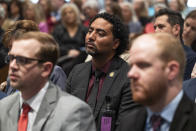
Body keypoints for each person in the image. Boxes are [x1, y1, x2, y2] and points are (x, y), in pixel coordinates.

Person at [0, 32, 96, 131]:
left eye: (23, 60)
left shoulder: (74, 112)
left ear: (46, 69)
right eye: (11, 58)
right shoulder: (4, 106)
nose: (13, 66)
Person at [66, 13, 139, 130]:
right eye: (90, 31)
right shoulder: (77, 71)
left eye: (100, 34)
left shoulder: (128, 77)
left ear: (115, 43)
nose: (91, 37)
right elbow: (65, 117)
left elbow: (125, 127)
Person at [120, 33, 196, 131]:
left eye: (142, 65)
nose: (131, 74)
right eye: (132, 66)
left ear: (172, 70)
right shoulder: (128, 121)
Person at [1, 20, 67, 94]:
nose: (10, 52)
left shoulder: (54, 73)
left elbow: (59, 103)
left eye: (15, 47)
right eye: (10, 48)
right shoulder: (13, 74)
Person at [154, 8, 196, 80]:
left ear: (176, 29)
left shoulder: (190, 58)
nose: (156, 31)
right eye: (155, 27)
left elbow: (186, 88)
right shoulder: (153, 54)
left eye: (161, 27)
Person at [52, 3, 88, 75]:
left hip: (81, 58)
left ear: (76, 14)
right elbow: (54, 46)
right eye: (65, 13)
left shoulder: (84, 29)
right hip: (63, 59)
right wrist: (68, 52)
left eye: (70, 12)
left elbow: (88, 45)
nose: (68, 15)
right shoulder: (58, 30)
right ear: (62, 16)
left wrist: (79, 52)